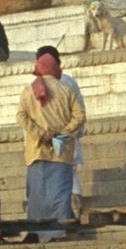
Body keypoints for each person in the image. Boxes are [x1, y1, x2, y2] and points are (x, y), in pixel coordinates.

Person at [16, 51, 85, 221]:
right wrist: (63, 133)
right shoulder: (67, 90)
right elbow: (80, 116)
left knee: (37, 195)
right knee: (60, 194)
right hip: (61, 151)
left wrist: (40, 134)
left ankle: (38, 231)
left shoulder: (28, 91)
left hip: (36, 151)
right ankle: (60, 230)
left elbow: (20, 116)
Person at [36, 45, 88, 190]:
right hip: (67, 136)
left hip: (47, 139)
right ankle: (76, 206)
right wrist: (74, 132)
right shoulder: (69, 82)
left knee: (58, 179)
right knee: (68, 176)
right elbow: (80, 113)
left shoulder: (35, 86)